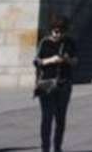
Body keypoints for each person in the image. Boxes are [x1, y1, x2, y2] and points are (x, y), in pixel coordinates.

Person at [32, 14, 78, 152]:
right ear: (51, 29)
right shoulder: (45, 42)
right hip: (46, 83)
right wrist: (51, 60)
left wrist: (67, 60)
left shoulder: (69, 42)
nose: (58, 34)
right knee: (47, 118)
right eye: (56, 31)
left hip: (64, 83)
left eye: (62, 31)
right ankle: (45, 148)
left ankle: (57, 147)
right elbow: (36, 61)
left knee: (60, 118)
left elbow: (76, 61)